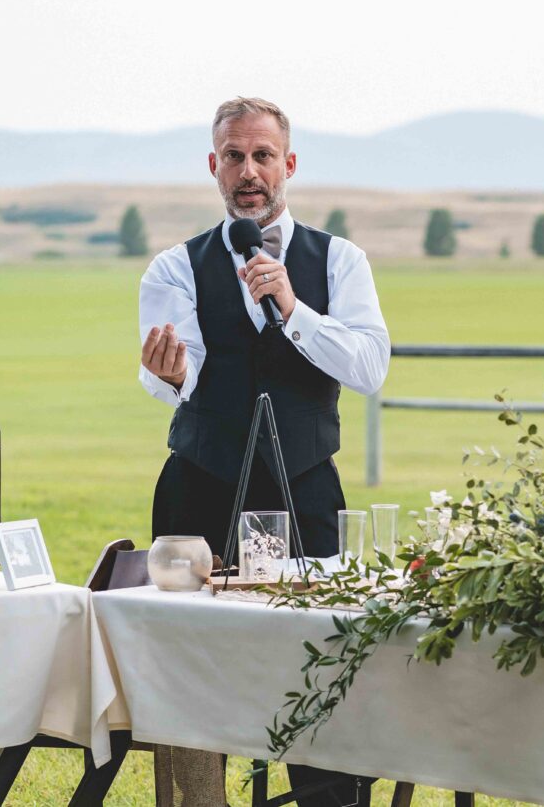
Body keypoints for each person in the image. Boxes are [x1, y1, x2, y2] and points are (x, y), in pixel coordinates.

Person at [138, 96, 389, 805]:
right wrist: (173, 376)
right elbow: (173, 369)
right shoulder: (173, 267)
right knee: (191, 674)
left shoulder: (340, 261)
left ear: (290, 164)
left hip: (305, 494)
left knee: (321, 669)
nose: (249, 171)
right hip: (198, 491)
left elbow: (370, 366)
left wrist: (293, 308)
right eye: (234, 156)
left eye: (262, 156)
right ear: (213, 165)